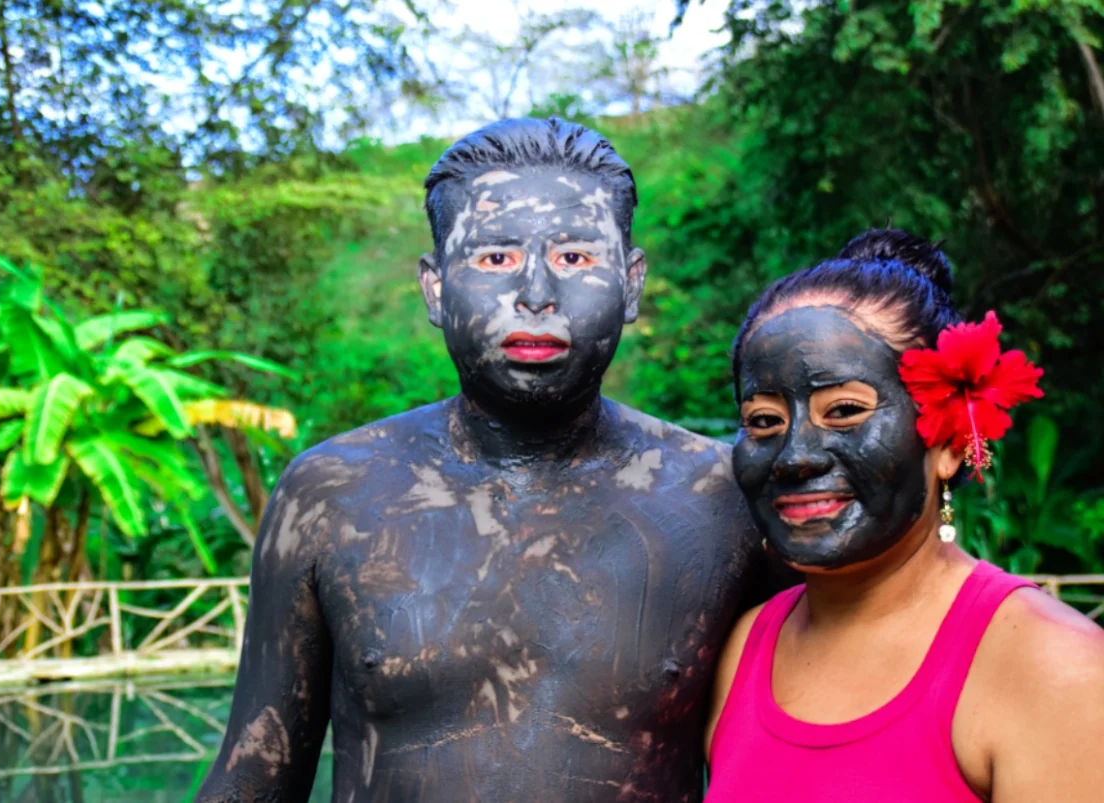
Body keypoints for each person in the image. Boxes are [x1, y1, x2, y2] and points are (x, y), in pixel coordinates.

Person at [196, 118, 785, 803]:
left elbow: (812, 745)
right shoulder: (333, 495)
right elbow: (256, 775)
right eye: (494, 259)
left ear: (631, 283)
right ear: (435, 287)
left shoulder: (722, 496)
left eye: (574, 257)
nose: (535, 293)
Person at [703, 228, 1104, 801]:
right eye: (763, 421)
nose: (794, 457)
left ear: (946, 443)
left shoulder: (1054, 669)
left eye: (844, 411)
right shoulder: (742, 650)